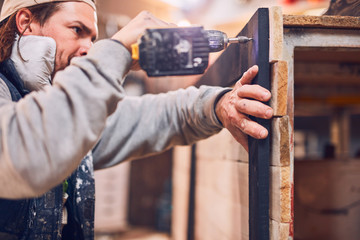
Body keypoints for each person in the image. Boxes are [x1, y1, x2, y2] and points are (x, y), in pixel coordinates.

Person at [0, 0, 273, 239]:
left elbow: (160, 116)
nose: (88, 48)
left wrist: (219, 104)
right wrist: (116, 50)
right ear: (26, 23)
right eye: (77, 30)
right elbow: (25, 150)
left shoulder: (68, 120)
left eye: (93, 39)